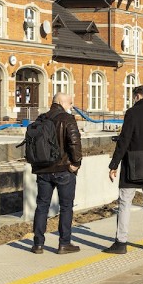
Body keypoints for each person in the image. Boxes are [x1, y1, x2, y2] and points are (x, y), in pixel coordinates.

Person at [104, 85, 143, 254]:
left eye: (133, 97)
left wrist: (114, 165)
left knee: (125, 203)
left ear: (138, 96)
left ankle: (121, 242)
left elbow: (124, 141)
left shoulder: (132, 113)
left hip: (130, 165)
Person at [31, 92, 83, 254]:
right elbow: (74, 143)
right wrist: (76, 163)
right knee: (66, 207)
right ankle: (64, 243)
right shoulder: (67, 119)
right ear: (61, 102)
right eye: (70, 103)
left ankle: (38, 244)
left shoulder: (41, 119)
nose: (71, 106)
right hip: (63, 170)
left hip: (43, 169)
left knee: (42, 206)